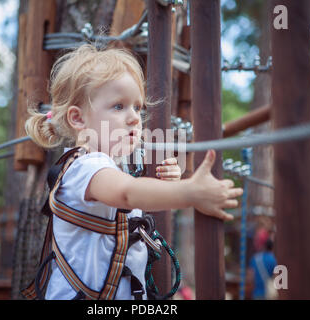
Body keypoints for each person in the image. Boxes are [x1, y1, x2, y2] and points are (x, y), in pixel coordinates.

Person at [23, 44, 243, 300]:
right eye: (119, 106)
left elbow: (129, 190)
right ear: (78, 119)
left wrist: (169, 185)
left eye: (137, 108)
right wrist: (188, 192)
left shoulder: (109, 167)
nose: (135, 118)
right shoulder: (85, 167)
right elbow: (127, 193)